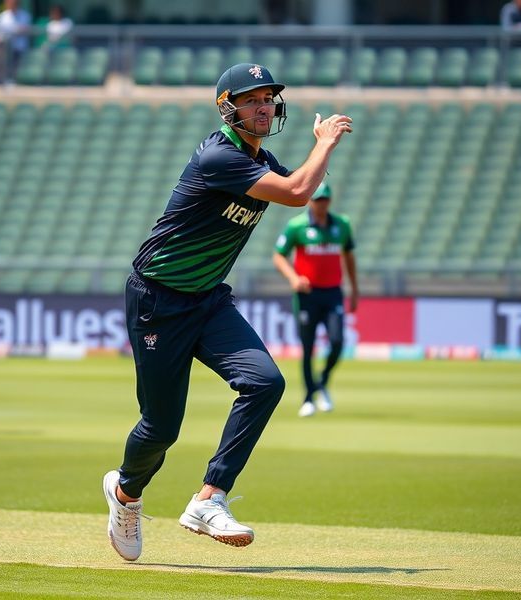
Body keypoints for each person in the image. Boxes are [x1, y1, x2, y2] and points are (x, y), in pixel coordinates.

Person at [102, 63, 352, 561]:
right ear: (227, 107)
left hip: (208, 300)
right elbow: (300, 191)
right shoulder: (220, 156)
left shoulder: (260, 158)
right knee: (161, 427)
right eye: (251, 99)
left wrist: (314, 157)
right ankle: (126, 494)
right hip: (159, 299)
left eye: (268, 99)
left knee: (265, 382)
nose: (263, 107)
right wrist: (323, 143)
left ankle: (209, 498)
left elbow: (297, 193)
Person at [272, 181, 358, 418]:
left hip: (333, 293)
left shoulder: (342, 225)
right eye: (318, 199)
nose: (322, 204)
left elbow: (349, 257)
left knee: (338, 342)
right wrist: (293, 278)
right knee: (308, 347)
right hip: (307, 294)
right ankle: (309, 396)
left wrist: (355, 289)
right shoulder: (297, 226)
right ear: (310, 200)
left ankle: (322, 382)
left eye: (325, 200)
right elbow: (279, 256)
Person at [0, 0, 32, 83]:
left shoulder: (25, 15)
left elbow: (28, 30)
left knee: (17, 68)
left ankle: (16, 83)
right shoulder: (2, 17)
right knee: (3, 66)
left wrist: (18, 31)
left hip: (19, 48)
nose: (12, 4)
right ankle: (2, 83)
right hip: (4, 48)